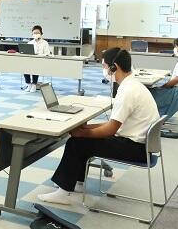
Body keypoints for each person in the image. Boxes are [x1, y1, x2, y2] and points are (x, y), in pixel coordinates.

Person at [37, 48, 160, 205]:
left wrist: (82, 134)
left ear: (114, 67)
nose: (104, 70)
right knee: (84, 141)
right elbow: (115, 124)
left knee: (76, 143)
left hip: (136, 149)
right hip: (142, 146)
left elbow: (111, 129)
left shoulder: (127, 91)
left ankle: (63, 192)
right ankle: (77, 183)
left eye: (104, 66)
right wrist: (86, 129)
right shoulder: (134, 85)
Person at [149, 37, 178, 120]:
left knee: (149, 92)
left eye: (176, 46)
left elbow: (176, 79)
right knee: (155, 90)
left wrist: (163, 86)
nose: (174, 48)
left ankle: (153, 118)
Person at [23, 25, 51, 92]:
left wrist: (39, 55)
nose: (36, 34)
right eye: (34, 33)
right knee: (25, 67)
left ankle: (34, 85)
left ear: (41, 33)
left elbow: (47, 53)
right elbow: (26, 53)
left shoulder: (45, 43)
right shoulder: (30, 42)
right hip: (31, 61)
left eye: (37, 33)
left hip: (40, 61)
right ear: (32, 34)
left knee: (35, 66)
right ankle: (29, 84)